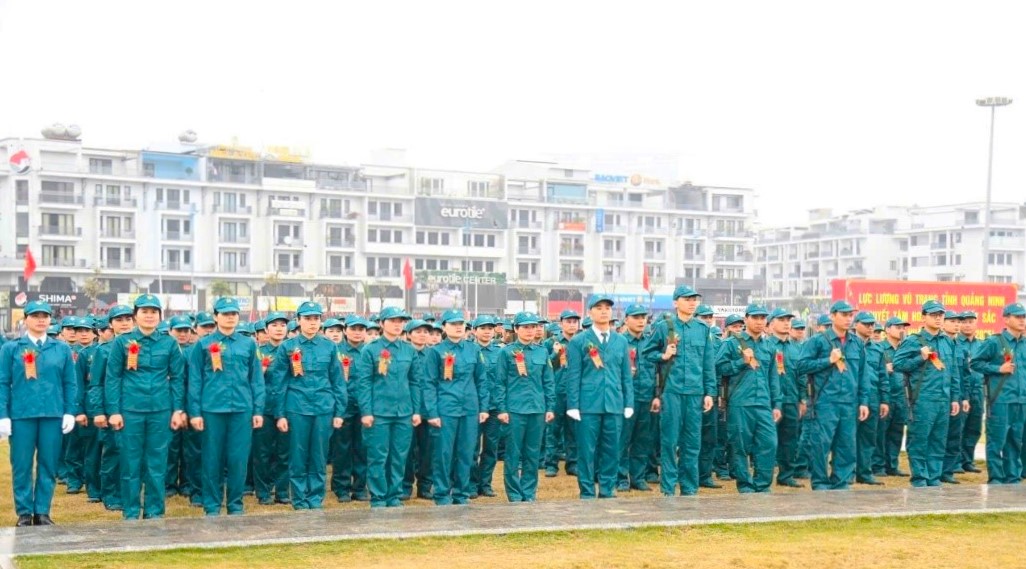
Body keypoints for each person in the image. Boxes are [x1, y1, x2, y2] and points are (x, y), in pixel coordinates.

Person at [104, 294, 187, 520]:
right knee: (130, 462)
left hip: (160, 410)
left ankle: (154, 511)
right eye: (144, 311)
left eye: (154, 312)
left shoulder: (169, 343)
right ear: (135, 315)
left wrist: (177, 410)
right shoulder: (122, 342)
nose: (149, 316)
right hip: (130, 410)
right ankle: (131, 511)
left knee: (157, 462)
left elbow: (177, 378)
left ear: (160, 316)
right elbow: (113, 378)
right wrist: (114, 411)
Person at [0, 301, 78, 526]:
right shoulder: (11, 348)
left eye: (45, 316)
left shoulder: (61, 349)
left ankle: (42, 511)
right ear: (26, 319)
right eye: (35, 316)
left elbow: (70, 383)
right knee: (21, 465)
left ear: (50, 319)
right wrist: (3, 415)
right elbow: (2, 382)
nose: (41, 320)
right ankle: (24, 512)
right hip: (21, 415)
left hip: (52, 414)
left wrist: (69, 412)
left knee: (48, 464)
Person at [187, 297, 265, 515]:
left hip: (242, 409)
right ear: (216, 316)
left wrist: (258, 409)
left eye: (233, 314)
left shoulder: (248, 344)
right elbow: (195, 380)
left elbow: (256, 379)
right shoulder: (203, 344)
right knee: (212, 458)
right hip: (212, 409)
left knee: (238, 459)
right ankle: (212, 505)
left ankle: (235, 505)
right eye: (225, 314)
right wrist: (195, 412)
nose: (230, 317)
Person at [268, 301, 347, 510]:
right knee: (298, 455)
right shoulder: (287, 347)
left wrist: (340, 412)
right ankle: (300, 499)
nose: (312, 323)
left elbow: (338, 381)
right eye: (308, 318)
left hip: (323, 407)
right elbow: (279, 383)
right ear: (298, 320)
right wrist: (280, 414)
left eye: (316, 318)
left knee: (319, 456)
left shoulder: (329, 347)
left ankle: (315, 498)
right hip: (297, 407)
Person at [641, 285, 715, 497]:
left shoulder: (703, 329)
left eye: (694, 299)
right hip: (671, 391)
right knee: (669, 441)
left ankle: (689, 488)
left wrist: (710, 392)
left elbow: (708, 364)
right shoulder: (664, 327)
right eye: (687, 299)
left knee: (692, 442)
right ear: (675, 302)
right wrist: (663, 355)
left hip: (695, 392)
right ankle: (668, 488)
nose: (692, 303)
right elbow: (647, 353)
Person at [354, 307, 424, 508]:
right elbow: (364, 383)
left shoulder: (409, 350)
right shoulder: (370, 350)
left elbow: (415, 382)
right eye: (392, 320)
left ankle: (394, 496)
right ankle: (378, 496)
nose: (397, 324)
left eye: (400, 321)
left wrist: (416, 410)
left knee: (399, 456)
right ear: (382, 323)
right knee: (378, 456)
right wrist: (366, 412)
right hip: (379, 413)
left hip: (404, 412)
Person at [796, 300, 869, 491]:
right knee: (821, 444)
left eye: (850, 315)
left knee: (846, 445)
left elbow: (863, 375)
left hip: (849, 402)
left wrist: (863, 401)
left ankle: (841, 483)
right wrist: (828, 360)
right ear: (832, 316)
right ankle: (820, 482)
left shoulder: (857, 343)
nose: (848, 319)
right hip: (824, 402)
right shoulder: (818, 341)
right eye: (844, 315)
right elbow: (801, 366)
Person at [566, 295, 633, 499]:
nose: (604, 311)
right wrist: (573, 405)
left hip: (614, 403)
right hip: (588, 405)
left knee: (612, 449)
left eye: (607, 308)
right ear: (590, 312)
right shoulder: (579, 341)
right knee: (587, 451)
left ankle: (607, 489)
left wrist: (628, 402)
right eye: (599, 307)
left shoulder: (621, 341)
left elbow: (626, 375)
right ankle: (587, 491)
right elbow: (573, 375)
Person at [423, 310, 489, 506]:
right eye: (453, 324)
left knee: (466, 453)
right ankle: (442, 494)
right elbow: (429, 383)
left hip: (469, 409)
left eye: (461, 324)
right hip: (445, 409)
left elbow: (481, 380)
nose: (458, 327)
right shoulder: (436, 352)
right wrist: (432, 412)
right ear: (444, 326)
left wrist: (483, 408)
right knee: (443, 453)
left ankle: (461, 493)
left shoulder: (473, 349)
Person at [893, 300, 962, 488]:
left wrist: (955, 398)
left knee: (938, 441)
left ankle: (933, 478)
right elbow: (897, 365)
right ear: (923, 317)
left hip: (943, 399)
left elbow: (953, 372)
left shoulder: (947, 341)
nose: (938, 318)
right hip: (922, 400)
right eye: (933, 315)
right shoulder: (913, 341)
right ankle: (920, 479)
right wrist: (920, 357)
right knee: (919, 440)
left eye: (941, 315)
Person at [716, 304, 781, 493]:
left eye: (763, 318)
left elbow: (773, 378)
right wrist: (741, 362)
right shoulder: (732, 343)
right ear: (746, 319)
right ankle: (745, 486)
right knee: (740, 446)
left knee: (769, 443)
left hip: (763, 404)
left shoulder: (769, 346)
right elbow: (718, 367)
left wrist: (776, 404)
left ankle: (762, 485)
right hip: (740, 403)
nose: (760, 322)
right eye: (755, 317)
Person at [494, 312, 555, 501]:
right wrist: (501, 409)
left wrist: (550, 407)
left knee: (532, 454)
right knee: (513, 454)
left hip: (537, 409)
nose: (530, 331)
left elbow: (548, 381)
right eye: (526, 327)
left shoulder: (542, 352)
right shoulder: (506, 352)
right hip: (514, 410)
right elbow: (499, 383)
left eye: (533, 327)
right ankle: (514, 494)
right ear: (516, 329)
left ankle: (529, 493)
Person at [969, 302, 1026, 484]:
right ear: (1006, 319)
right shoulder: (994, 342)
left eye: (1024, 317)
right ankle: (996, 478)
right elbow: (975, 363)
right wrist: (998, 369)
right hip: (1000, 399)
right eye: (1018, 317)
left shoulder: (1024, 343)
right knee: (996, 440)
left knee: (1015, 441)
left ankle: (1013, 476)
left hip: (1021, 400)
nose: (1022, 320)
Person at [330, 315, 370, 502]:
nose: (357, 332)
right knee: (342, 449)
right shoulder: (336, 350)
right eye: (353, 329)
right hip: (343, 407)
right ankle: (341, 487)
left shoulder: (369, 351)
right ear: (345, 330)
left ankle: (360, 487)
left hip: (364, 407)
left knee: (362, 448)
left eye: (361, 329)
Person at [617, 304, 656, 491]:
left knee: (642, 440)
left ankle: (638, 477)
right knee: (622, 440)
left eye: (643, 317)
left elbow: (658, 370)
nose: (641, 321)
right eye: (636, 317)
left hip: (646, 397)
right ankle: (620, 477)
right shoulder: (619, 342)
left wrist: (657, 395)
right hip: (625, 399)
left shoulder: (651, 342)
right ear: (626, 320)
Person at [765, 308, 806, 488]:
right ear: (771, 323)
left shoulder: (796, 348)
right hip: (770, 402)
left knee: (790, 440)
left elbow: (802, 375)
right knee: (768, 440)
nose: (786, 323)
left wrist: (803, 399)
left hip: (791, 400)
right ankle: (764, 476)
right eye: (781, 320)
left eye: (788, 320)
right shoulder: (766, 346)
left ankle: (786, 475)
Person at [852, 312, 888, 486]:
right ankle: (847, 472)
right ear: (856, 324)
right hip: (852, 396)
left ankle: (864, 472)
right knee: (848, 437)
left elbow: (883, 376)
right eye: (866, 324)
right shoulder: (848, 345)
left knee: (868, 437)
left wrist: (884, 400)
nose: (870, 327)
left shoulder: (877, 349)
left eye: (872, 324)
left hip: (873, 396)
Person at [543, 310, 580, 477]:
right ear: (561, 323)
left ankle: (573, 464)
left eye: (574, 321)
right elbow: (545, 366)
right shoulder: (551, 342)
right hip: (556, 392)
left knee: (574, 430)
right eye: (568, 321)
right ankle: (551, 464)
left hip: (576, 393)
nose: (572, 325)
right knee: (553, 430)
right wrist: (555, 353)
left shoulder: (583, 342)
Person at [471, 315, 504, 498]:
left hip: (494, 406)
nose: (486, 332)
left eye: (490, 328)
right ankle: (471, 484)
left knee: (491, 447)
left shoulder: (500, 352)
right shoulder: (469, 350)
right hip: (473, 406)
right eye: (482, 328)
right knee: (472, 448)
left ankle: (485, 483)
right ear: (474, 331)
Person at [876, 317, 910, 477]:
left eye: (903, 327)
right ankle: (878, 466)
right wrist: (884, 369)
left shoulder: (905, 349)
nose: (901, 330)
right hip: (885, 396)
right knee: (881, 432)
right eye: (898, 327)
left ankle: (892, 465)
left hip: (901, 397)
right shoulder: (879, 348)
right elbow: (870, 370)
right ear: (887, 329)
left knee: (897, 432)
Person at [957, 311, 984, 473]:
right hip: (961, 392)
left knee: (974, 428)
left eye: (970, 322)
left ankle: (967, 460)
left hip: (978, 391)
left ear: (976, 324)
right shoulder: (955, 343)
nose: (967, 325)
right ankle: (955, 462)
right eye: (964, 322)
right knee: (958, 428)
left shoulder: (982, 345)